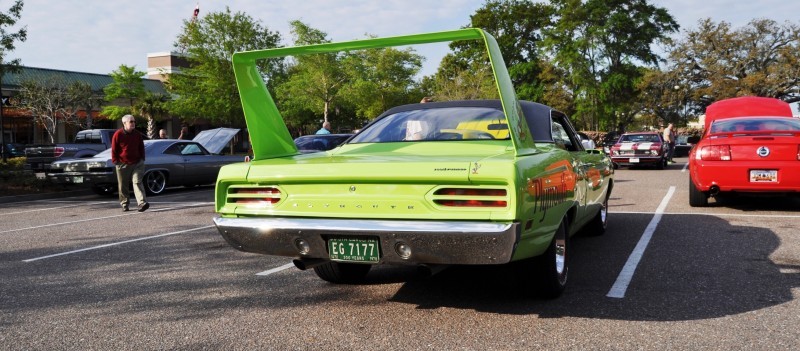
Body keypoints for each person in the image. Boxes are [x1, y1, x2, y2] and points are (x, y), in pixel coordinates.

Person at [111, 115, 149, 212]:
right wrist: (116, 161)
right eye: (131, 121)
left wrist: (142, 158)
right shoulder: (118, 134)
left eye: (134, 121)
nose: (133, 123)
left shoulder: (137, 134)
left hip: (137, 162)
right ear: (124, 123)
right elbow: (114, 149)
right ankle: (125, 204)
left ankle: (142, 203)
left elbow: (141, 147)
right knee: (123, 185)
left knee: (137, 182)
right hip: (122, 163)